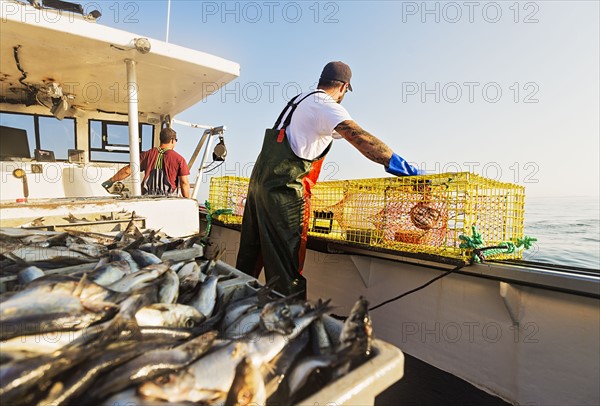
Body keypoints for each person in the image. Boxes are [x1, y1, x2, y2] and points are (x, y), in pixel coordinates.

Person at [235, 61, 422, 299]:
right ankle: (290, 322)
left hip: (258, 189)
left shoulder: (301, 100)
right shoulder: (325, 104)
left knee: (250, 255)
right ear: (344, 87)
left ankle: (233, 306)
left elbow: (327, 132)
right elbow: (359, 137)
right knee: (286, 263)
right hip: (285, 194)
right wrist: (399, 165)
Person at [101, 127, 190, 198]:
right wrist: (187, 201)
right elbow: (184, 183)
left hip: (148, 199)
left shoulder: (146, 155)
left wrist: (111, 181)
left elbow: (127, 170)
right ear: (172, 140)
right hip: (169, 201)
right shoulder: (179, 159)